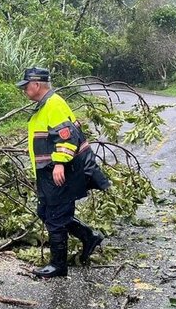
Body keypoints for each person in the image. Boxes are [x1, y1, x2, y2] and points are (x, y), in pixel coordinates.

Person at [17, 67, 110, 278]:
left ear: (36, 85)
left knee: (56, 217)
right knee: (45, 213)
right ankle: (89, 236)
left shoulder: (54, 103)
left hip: (60, 171)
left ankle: (58, 266)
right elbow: (49, 136)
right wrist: (33, 149)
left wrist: (59, 162)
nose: (24, 90)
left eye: (26, 86)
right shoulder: (45, 104)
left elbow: (67, 137)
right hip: (47, 171)